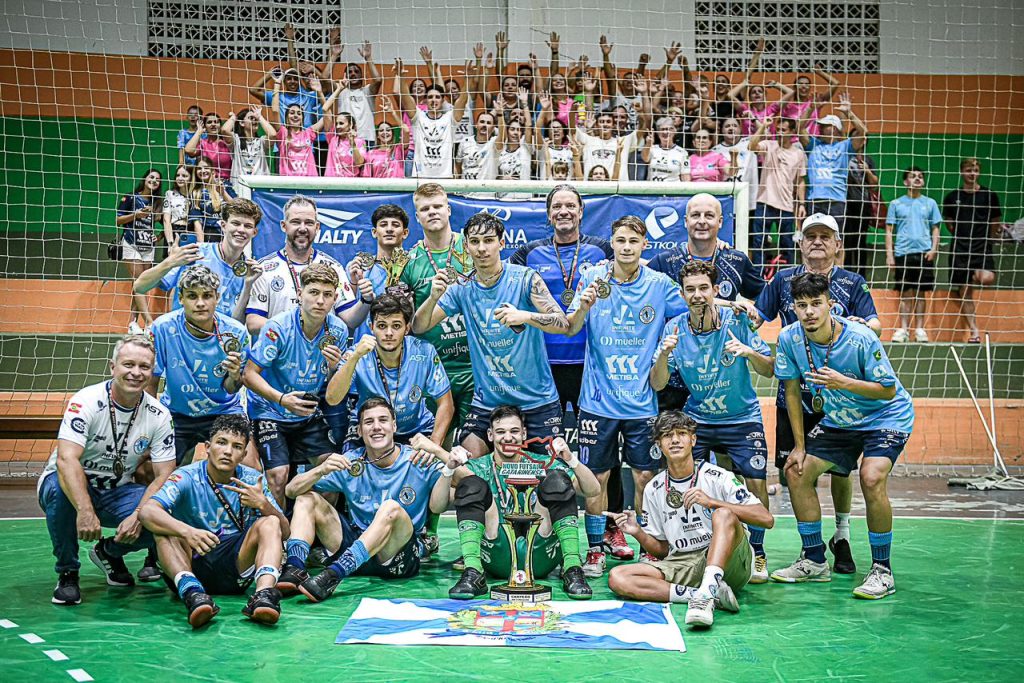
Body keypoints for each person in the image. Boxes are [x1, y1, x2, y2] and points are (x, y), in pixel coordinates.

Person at [770, 273, 914, 600]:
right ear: (793, 307)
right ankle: (814, 560)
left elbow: (888, 389)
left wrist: (844, 383)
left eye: (816, 304)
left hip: (885, 415)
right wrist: (800, 446)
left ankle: (882, 571)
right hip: (841, 419)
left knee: (871, 477)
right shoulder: (790, 338)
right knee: (796, 470)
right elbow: (791, 391)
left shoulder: (860, 338)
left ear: (830, 305)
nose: (809, 312)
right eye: (802, 305)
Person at [753, 212, 880, 574]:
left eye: (826, 236)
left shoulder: (853, 283)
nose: (818, 242)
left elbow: (874, 323)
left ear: (838, 244)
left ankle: (841, 536)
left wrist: (864, 325)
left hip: (839, 397)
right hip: (793, 394)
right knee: (794, 467)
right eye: (811, 236)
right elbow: (756, 317)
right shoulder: (781, 281)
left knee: (841, 472)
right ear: (801, 242)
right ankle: (810, 552)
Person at [566, 215, 688, 578]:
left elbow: (691, 311)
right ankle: (594, 548)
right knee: (596, 479)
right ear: (612, 243)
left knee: (644, 478)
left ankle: (649, 548)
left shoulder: (660, 284)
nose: (626, 247)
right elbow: (571, 326)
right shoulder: (592, 278)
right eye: (620, 240)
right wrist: (583, 306)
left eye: (633, 241)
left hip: (640, 401)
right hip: (597, 400)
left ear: (644, 245)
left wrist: (730, 308)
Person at [651, 260, 775, 582]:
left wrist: (748, 352)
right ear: (682, 293)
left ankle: (757, 553)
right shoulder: (674, 328)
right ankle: (695, 547)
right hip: (699, 419)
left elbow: (769, 368)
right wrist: (664, 355)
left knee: (755, 480)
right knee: (685, 479)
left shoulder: (737, 319)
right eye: (690, 289)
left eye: (703, 288)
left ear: (716, 290)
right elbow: (658, 384)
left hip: (741, 417)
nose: (697, 295)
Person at [413, 212, 569, 456]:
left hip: (536, 401)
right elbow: (419, 326)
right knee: (468, 470)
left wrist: (526, 316)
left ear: (502, 243)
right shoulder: (461, 288)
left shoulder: (525, 279)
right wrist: (433, 297)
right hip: (489, 403)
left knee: (553, 483)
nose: (482, 248)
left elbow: (563, 324)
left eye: (488, 240)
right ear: (466, 246)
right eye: (474, 242)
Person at [39, 334, 176, 605]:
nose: (136, 373)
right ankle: (68, 572)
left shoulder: (159, 415)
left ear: (152, 372)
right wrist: (85, 510)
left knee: (166, 509)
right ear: (112, 367)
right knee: (58, 487)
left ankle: (110, 552)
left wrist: (139, 515)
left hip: (117, 491)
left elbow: (164, 476)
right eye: (128, 364)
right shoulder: (86, 401)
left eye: (144, 367)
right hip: (72, 486)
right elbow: (67, 460)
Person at [279, 399, 460, 601]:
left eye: (383, 420)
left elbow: (465, 484)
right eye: (368, 422)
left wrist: (445, 459)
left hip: (395, 554)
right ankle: (294, 568)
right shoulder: (351, 461)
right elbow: (291, 491)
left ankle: (333, 575)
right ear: (359, 431)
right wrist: (320, 470)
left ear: (394, 426)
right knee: (307, 498)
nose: (376, 427)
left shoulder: (418, 458)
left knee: (391, 508)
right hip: (357, 544)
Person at [607, 411, 774, 627]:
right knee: (618, 577)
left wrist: (713, 502)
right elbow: (663, 551)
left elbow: (766, 518)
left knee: (724, 514)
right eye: (667, 435)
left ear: (693, 439)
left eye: (681, 434)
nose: (675, 440)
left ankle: (707, 590)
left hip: (731, 561)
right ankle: (700, 594)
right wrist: (637, 531)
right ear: (659, 444)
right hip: (685, 562)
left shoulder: (717, 476)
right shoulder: (653, 488)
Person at [140, 414, 289, 628]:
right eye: (221, 443)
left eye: (237, 447)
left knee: (271, 522)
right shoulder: (186, 476)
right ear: (208, 447)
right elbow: (147, 513)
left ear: (244, 454)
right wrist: (187, 532)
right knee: (163, 527)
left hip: (234, 565)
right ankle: (192, 593)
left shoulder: (252, 479)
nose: (228, 451)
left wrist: (264, 505)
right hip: (190, 560)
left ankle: (263, 595)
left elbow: (286, 532)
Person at [444, 406, 601, 599]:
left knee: (557, 481)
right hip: (496, 554)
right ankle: (474, 572)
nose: (508, 438)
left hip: (540, 552)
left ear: (524, 433)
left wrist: (571, 459)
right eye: (501, 432)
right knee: (471, 485)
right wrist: (448, 469)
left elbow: (593, 490)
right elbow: (437, 506)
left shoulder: (544, 462)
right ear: (490, 435)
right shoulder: (478, 466)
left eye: (514, 431)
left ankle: (572, 568)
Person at [242, 263, 347, 503]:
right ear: (300, 294)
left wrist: (333, 369)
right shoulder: (277, 328)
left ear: (335, 299)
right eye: (313, 292)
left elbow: (333, 393)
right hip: (271, 410)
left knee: (331, 472)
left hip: (307, 413)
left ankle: (319, 534)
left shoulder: (338, 330)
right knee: (278, 476)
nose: (320, 300)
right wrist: (281, 399)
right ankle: (279, 534)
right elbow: (248, 375)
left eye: (327, 295)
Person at [149, 265, 249, 465]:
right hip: (177, 413)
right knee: (151, 469)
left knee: (250, 467)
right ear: (181, 298)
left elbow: (231, 388)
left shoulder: (236, 333)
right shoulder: (162, 328)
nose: (200, 303)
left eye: (207, 296)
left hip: (223, 411)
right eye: (192, 296)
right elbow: (151, 382)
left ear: (217, 297)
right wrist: (152, 423)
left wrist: (235, 375)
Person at [398, 184, 476, 438]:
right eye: (425, 209)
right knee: (436, 449)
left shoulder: (474, 249)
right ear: (417, 216)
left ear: (449, 209)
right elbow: (404, 320)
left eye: (437, 206)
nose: (432, 212)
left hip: (475, 367)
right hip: (433, 368)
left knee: (474, 449)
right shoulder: (408, 262)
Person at [327, 294, 454, 445]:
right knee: (353, 467)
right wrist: (355, 358)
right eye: (382, 326)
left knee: (429, 466)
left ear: (407, 328)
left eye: (396, 326)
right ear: (371, 327)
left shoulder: (424, 352)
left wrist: (434, 444)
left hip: (416, 429)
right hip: (370, 429)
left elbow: (446, 404)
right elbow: (332, 399)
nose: (388, 333)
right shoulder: (357, 353)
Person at [245, 194, 361, 336]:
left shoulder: (333, 268)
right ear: (283, 226)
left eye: (309, 223)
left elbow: (350, 320)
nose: (302, 228)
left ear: (317, 227)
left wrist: (367, 301)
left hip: (321, 354)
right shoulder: (263, 269)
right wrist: (299, 326)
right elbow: (253, 323)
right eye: (295, 222)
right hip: (278, 354)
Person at [134, 197, 264, 323]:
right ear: (223, 226)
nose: (241, 230)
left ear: (254, 232)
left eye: (247, 226)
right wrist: (170, 262)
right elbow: (140, 287)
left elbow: (236, 324)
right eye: (236, 223)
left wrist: (248, 286)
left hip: (219, 342)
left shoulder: (250, 273)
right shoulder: (194, 253)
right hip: (182, 339)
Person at [647, 193, 765, 304]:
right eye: (695, 215)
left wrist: (753, 319)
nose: (702, 221)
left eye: (709, 215)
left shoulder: (736, 261)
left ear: (720, 222)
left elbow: (767, 296)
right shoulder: (665, 262)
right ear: (685, 221)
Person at [944, 158, 1003, 343]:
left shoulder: (989, 195)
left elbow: (996, 221)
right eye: (969, 169)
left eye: (976, 170)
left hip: (982, 247)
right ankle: (974, 331)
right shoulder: (953, 197)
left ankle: (975, 274)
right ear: (962, 172)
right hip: (960, 248)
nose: (972, 173)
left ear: (979, 173)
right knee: (965, 290)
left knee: (986, 278)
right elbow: (949, 222)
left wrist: (988, 239)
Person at [885, 166, 942, 343]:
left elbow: (936, 228)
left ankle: (919, 329)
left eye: (920, 176)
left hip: (924, 254)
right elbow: (888, 230)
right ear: (905, 181)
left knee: (921, 293)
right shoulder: (896, 204)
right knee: (905, 293)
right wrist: (890, 255)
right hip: (903, 253)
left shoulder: (930, 203)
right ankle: (903, 329)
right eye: (913, 176)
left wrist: (934, 249)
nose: (917, 179)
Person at [797, 92, 868, 234]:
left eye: (824, 126)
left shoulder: (845, 147)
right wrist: (811, 108)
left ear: (835, 128)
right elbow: (799, 128)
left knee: (836, 239)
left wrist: (849, 113)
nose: (820, 128)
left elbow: (863, 132)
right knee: (810, 238)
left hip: (836, 201)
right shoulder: (813, 145)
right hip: (814, 200)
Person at [749, 117, 808, 271]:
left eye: (784, 130)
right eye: (778, 129)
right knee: (759, 243)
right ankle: (758, 278)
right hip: (764, 202)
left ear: (793, 132)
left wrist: (801, 204)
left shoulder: (799, 154)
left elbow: (800, 181)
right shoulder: (769, 145)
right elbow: (751, 146)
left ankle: (787, 278)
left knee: (788, 245)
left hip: (787, 205)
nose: (780, 133)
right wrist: (763, 127)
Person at [396, 59, 471, 178]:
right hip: (420, 176)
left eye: (437, 97)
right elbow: (406, 97)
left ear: (442, 100)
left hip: (444, 177)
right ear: (426, 100)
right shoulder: (418, 117)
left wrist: (468, 79)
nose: (434, 100)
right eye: (430, 97)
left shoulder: (450, 118)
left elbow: (462, 100)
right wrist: (401, 77)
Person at [116, 169, 163, 333]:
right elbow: (118, 220)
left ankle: (132, 323)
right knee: (137, 281)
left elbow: (169, 222)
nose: (154, 181)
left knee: (143, 285)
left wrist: (160, 236)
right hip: (131, 243)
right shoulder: (130, 198)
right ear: (145, 179)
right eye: (151, 177)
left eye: (157, 179)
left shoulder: (158, 203)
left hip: (148, 247)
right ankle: (147, 322)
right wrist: (136, 215)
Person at [333, 40, 384, 145]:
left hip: (367, 139)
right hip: (346, 138)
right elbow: (324, 79)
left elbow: (378, 80)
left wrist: (368, 58)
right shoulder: (341, 91)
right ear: (345, 76)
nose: (353, 74)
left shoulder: (367, 91)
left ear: (361, 75)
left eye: (356, 71)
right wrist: (334, 56)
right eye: (349, 72)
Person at [187, 157, 236, 243]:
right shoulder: (195, 192)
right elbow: (197, 224)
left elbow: (236, 207)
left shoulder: (225, 185)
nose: (202, 171)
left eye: (206, 168)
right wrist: (201, 246)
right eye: (199, 168)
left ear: (212, 170)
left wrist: (223, 193)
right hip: (209, 233)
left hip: (229, 230)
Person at [221, 107, 272, 186]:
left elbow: (273, 134)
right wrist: (234, 118)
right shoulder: (236, 140)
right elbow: (225, 130)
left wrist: (260, 117)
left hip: (260, 188)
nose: (255, 120)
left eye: (256, 119)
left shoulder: (262, 141)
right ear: (242, 123)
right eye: (251, 118)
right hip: (240, 186)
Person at [362, 99, 408, 178]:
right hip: (378, 189)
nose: (385, 132)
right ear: (377, 135)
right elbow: (367, 176)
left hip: (396, 188)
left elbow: (406, 130)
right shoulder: (371, 153)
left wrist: (393, 112)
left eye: (388, 130)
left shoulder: (398, 149)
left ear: (392, 134)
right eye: (381, 130)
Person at [184, 112, 233, 182]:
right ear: (205, 127)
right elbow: (188, 150)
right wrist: (199, 132)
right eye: (209, 122)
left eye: (216, 122)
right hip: (208, 183)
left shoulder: (228, 143)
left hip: (228, 184)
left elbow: (225, 130)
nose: (213, 124)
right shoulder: (203, 144)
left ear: (220, 125)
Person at [643, 116, 690, 182]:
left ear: (674, 131)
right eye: (662, 129)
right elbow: (645, 158)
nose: (665, 132)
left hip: (673, 190)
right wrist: (648, 144)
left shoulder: (682, 152)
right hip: (653, 189)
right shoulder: (652, 149)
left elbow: (685, 178)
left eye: (668, 129)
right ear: (658, 132)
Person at [456, 110, 498, 181]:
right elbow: (457, 166)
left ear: (493, 128)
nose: (484, 125)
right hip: (465, 189)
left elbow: (503, 135)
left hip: (485, 190)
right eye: (482, 122)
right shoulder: (465, 142)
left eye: (488, 123)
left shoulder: (494, 143)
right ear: (476, 125)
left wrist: (500, 113)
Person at [162, 165, 197, 247]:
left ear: (191, 178)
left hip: (191, 231)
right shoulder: (170, 194)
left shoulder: (196, 195)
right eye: (178, 175)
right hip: (174, 231)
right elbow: (166, 220)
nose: (180, 178)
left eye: (184, 176)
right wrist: (170, 243)